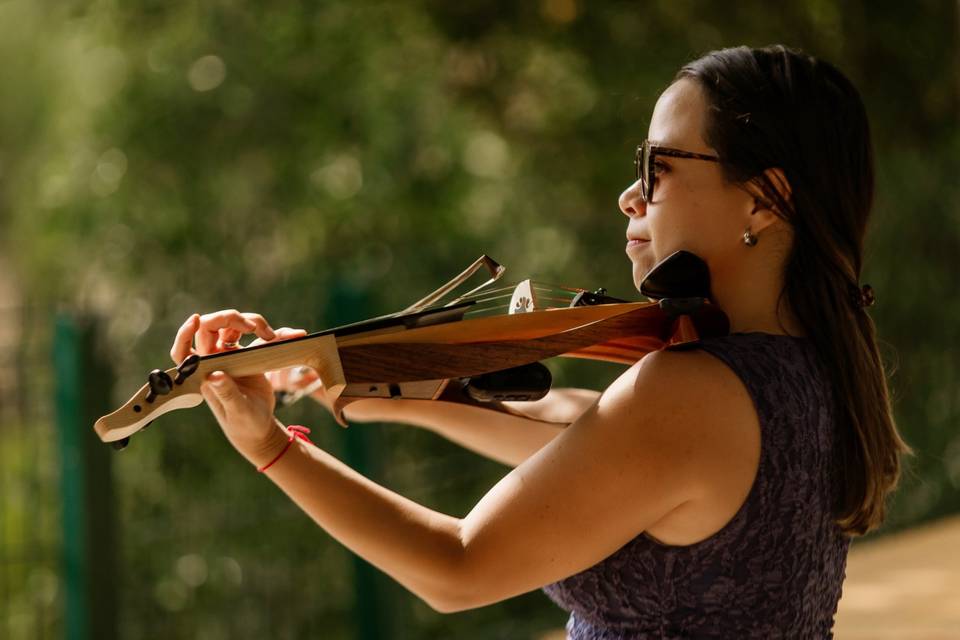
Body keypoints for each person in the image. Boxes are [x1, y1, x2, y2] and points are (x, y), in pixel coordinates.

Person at [168, 45, 910, 638]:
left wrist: (271, 446)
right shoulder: (814, 367)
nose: (632, 195)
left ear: (763, 199)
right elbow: (590, 431)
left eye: (659, 167)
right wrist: (365, 386)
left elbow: (455, 569)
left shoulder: (688, 390)